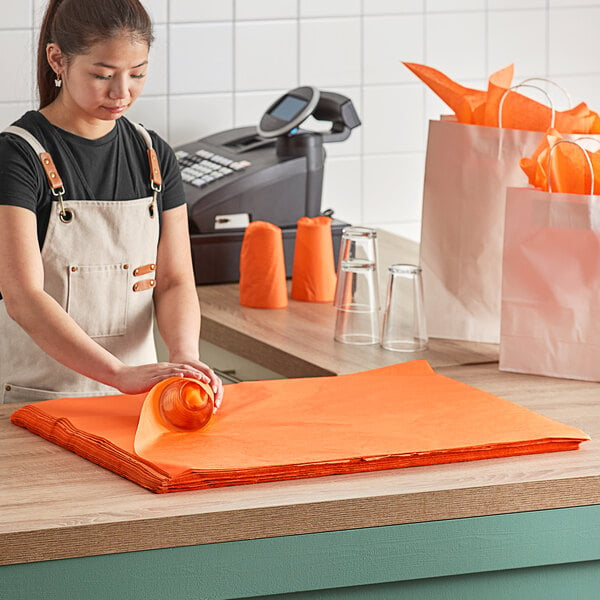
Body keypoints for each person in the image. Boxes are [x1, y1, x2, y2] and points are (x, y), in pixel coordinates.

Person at [0, 0, 223, 407]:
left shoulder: (154, 155)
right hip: (38, 403)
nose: (122, 92)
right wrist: (117, 374)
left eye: (137, 74)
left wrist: (185, 358)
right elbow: (23, 297)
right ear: (58, 59)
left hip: (135, 404)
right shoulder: (17, 156)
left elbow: (174, 281)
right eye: (102, 75)